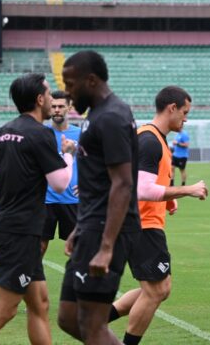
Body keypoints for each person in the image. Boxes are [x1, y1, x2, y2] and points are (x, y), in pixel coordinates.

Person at [107, 86, 208, 345]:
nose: (186, 118)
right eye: (184, 112)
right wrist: (188, 189)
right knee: (156, 291)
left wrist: (169, 200)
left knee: (156, 289)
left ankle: (97, 319)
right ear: (172, 108)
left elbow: (141, 182)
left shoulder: (154, 138)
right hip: (141, 225)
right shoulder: (150, 140)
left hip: (142, 222)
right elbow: (142, 189)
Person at [57, 50, 141, 345]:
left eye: (70, 84)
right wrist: (80, 228)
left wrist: (105, 247)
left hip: (109, 232)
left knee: (93, 325)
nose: (67, 93)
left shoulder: (112, 117)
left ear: (90, 80)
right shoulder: (97, 115)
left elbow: (122, 184)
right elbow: (98, 182)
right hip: (91, 226)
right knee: (67, 317)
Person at [0, 73, 74, 344]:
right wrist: (68, 153)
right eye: (48, 95)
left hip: (11, 226)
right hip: (20, 231)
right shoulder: (41, 134)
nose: (52, 100)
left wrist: (2, 182)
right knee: (5, 309)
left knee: (40, 304)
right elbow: (59, 184)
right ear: (39, 99)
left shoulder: (1, 133)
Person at [42, 90, 81, 257]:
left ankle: (78, 283)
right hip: (45, 200)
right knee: (38, 249)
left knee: (78, 251)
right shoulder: (41, 133)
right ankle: (31, 282)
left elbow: (94, 164)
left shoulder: (81, 134)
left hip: (73, 199)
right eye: (54, 106)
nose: (56, 109)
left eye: (61, 106)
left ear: (69, 107)